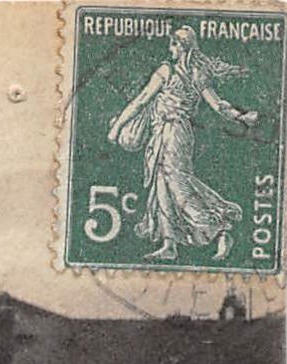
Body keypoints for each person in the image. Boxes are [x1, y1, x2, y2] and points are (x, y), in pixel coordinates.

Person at [108, 25, 258, 262]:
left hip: (172, 132)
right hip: (169, 133)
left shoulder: (166, 71)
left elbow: (141, 101)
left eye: (174, 44)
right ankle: (169, 244)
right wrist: (240, 116)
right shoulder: (198, 73)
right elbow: (219, 105)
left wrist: (117, 127)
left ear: (182, 46)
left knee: (177, 184)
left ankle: (219, 230)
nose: (171, 49)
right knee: (162, 185)